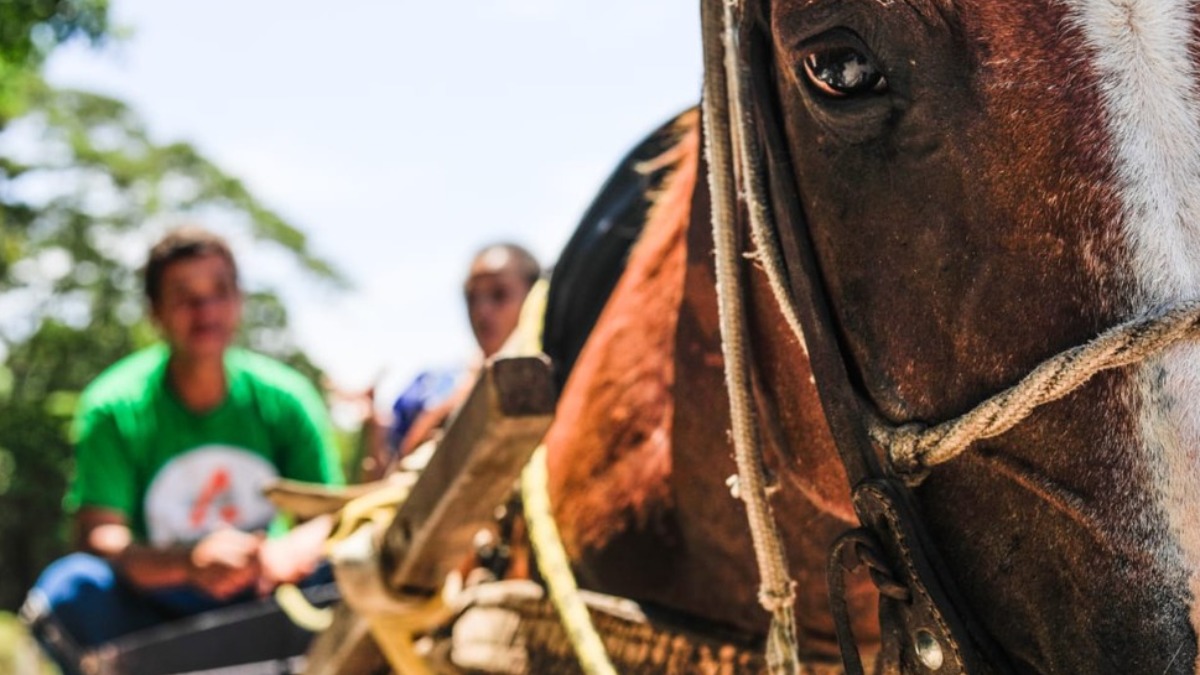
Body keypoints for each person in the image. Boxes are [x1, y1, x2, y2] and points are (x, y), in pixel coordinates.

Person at [21, 226, 345, 669]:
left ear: (239, 300)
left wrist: (282, 552)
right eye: (184, 296)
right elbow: (98, 534)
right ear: (155, 312)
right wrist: (189, 564)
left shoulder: (287, 399)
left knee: (360, 569)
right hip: (158, 604)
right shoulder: (116, 405)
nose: (205, 310)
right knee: (71, 587)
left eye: (219, 291)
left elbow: (332, 513)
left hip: (269, 595)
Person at [366, 242, 540, 474]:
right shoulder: (428, 385)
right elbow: (392, 475)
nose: (482, 310)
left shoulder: (558, 379)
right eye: (471, 297)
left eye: (499, 294)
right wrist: (375, 430)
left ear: (534, 297)